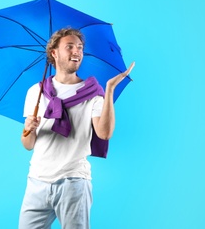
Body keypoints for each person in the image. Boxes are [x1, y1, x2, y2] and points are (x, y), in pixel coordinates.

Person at [19, 27, 135, 229]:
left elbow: (104, 133)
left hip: (73, 182)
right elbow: (28, 144)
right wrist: (29, 129)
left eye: (80, 48)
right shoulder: (36, 92)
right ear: (54, 53)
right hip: (36, 181)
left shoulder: (93, 93)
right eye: (70, 46)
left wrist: (109, 91)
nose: (77, 52)